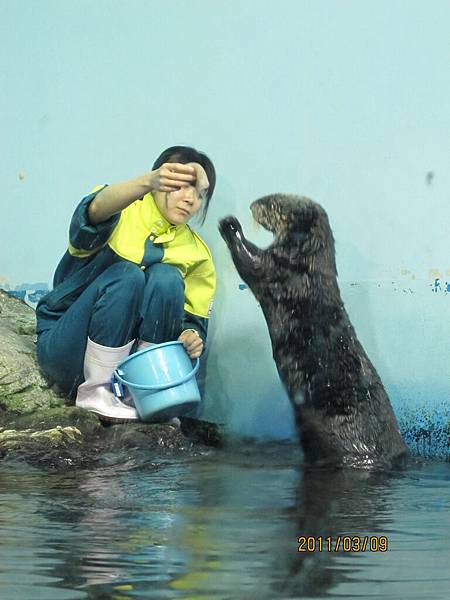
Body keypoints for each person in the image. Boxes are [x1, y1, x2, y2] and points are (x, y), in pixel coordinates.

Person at [36, 145, 216, 423]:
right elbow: (94, 211)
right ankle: (96, 391)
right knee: (127, 275)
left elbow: (193, 321)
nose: (189, 199)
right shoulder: (120, 211)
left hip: (132, 370)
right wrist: (147, 181)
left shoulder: (197, 254)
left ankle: (145, 389)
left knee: (167, 278)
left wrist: (191, 336)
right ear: (158, 182)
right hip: (68, 351)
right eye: (178, 186)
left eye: (198, 192)